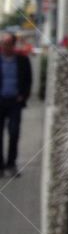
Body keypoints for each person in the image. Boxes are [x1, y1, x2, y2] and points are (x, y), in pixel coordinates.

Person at [0, 32, 32, 177]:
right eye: (2, 44)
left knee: (14, 133)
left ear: (13, 45)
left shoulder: (22, 60)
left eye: (7, 44)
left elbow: (28, 80)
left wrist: (23, 96)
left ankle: (11, 164)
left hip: (15, 102)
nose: (4, 47)